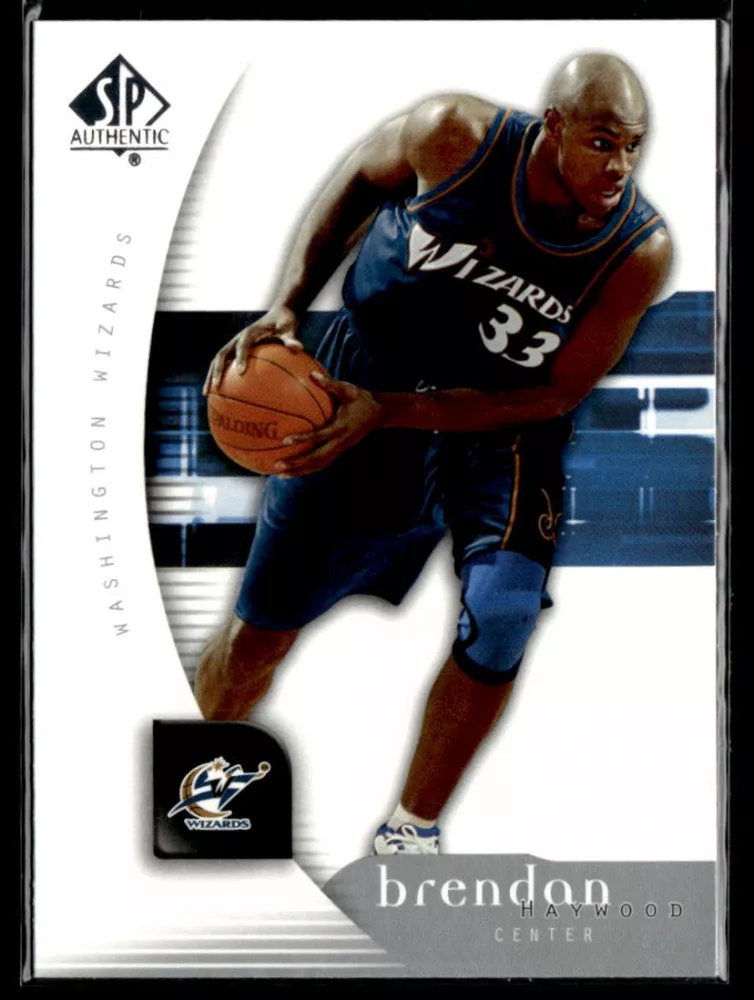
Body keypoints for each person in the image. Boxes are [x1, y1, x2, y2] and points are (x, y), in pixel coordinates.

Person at [196, 53, 671, 855]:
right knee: (258, 635)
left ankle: (410, 835)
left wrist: (392, 415)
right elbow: (357, 179)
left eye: (634, 144)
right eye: (602, 142)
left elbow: (557, 393)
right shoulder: (455, 136)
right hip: (362, 376)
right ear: (553, 127)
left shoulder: (637, 251)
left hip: (499, 421)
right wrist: (287, 302)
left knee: (505, 613)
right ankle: (198, 787)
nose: (620, 166)